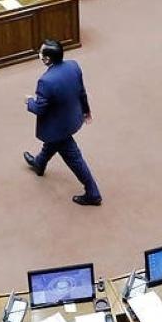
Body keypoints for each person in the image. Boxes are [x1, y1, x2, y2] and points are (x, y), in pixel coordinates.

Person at [23, 40, 101, 206]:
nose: (39, 55)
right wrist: (86, 110)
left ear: (47, 59)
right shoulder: (73, 66)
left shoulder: (46, 81)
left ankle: (93, 192)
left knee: (74, 158)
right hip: (71, 117)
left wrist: (29, 101)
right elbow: (82, 92)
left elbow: (39, 109)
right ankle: (39, 163)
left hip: (59, 127)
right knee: (51, 144)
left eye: (41, 53)